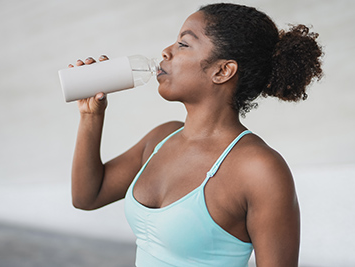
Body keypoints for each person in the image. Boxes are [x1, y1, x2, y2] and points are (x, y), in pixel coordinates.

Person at [69, 3, 323, 267]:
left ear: (222, 71)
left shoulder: (259, 170)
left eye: (183, 44)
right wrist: (91, 116)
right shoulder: (161, 139)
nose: (166, 52)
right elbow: (88, 196)